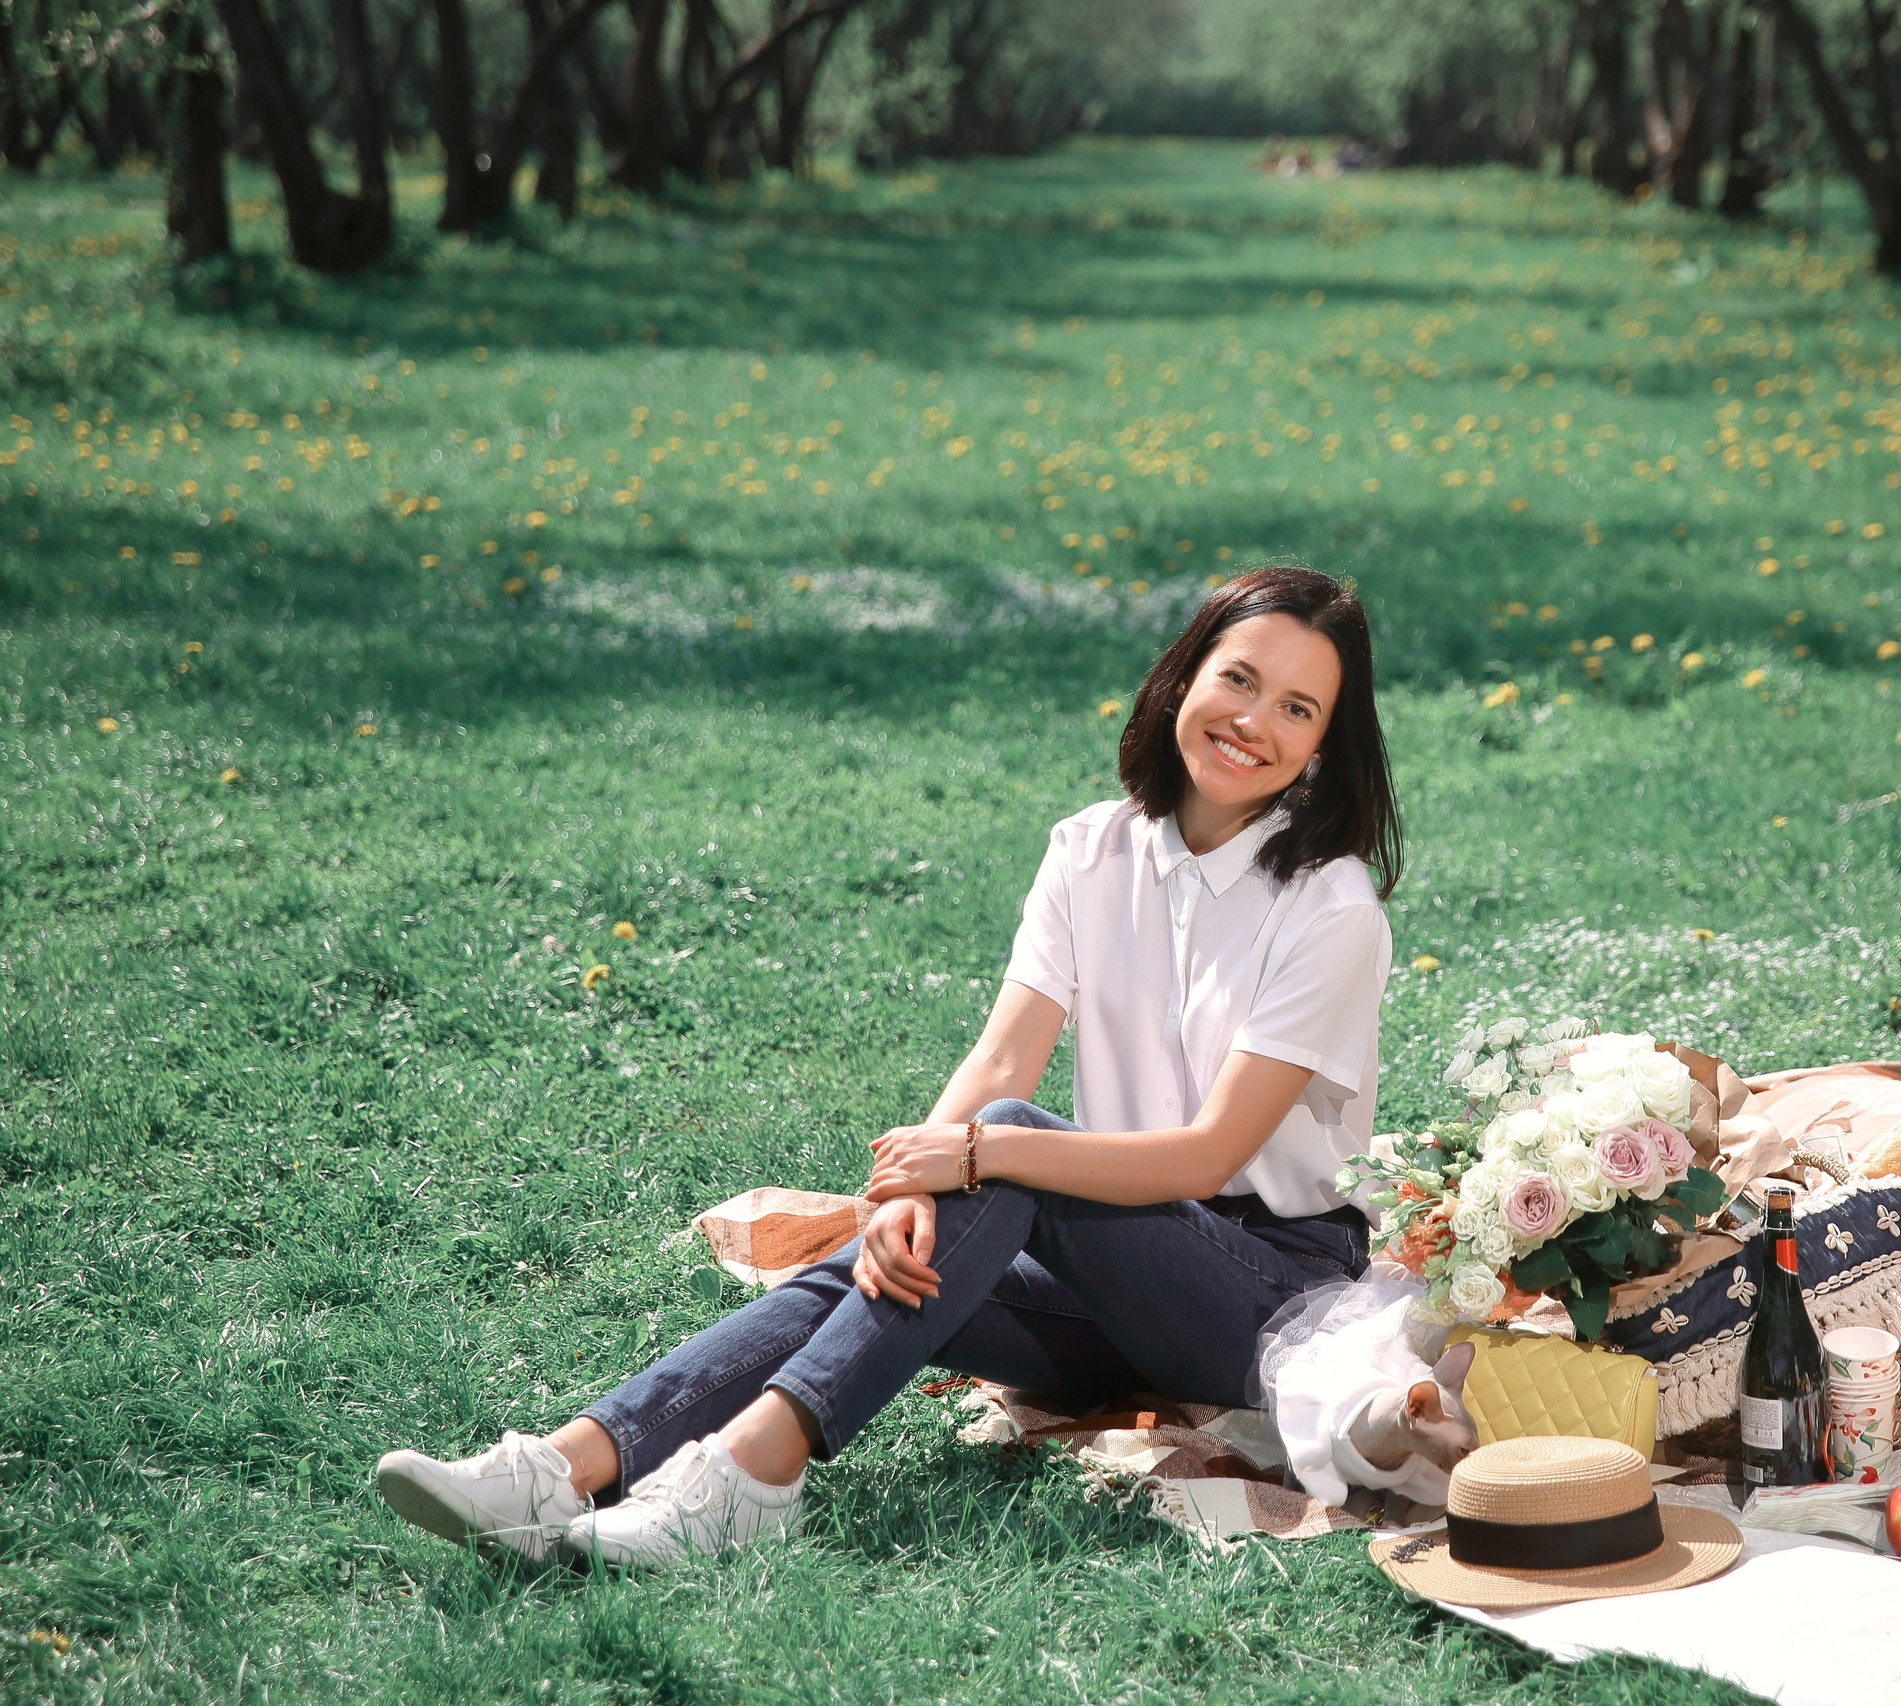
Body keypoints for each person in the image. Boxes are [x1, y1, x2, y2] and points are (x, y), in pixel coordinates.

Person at [373, 565, 1402, 1569]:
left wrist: (966, 1151)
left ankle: (745, 1479)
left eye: (1298, 707)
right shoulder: (1092, 849)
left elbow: (1207, 1151)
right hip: (1108, 1294)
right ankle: (561, 1465)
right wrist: (904, 1189)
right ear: (1181, 676)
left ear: (1322, 745)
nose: (1253, 720)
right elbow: (1005, 1047)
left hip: (1266, 1302)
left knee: (1007, 1148)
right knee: (885, 1259)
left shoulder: (1332, 907)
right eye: (1237, 678)